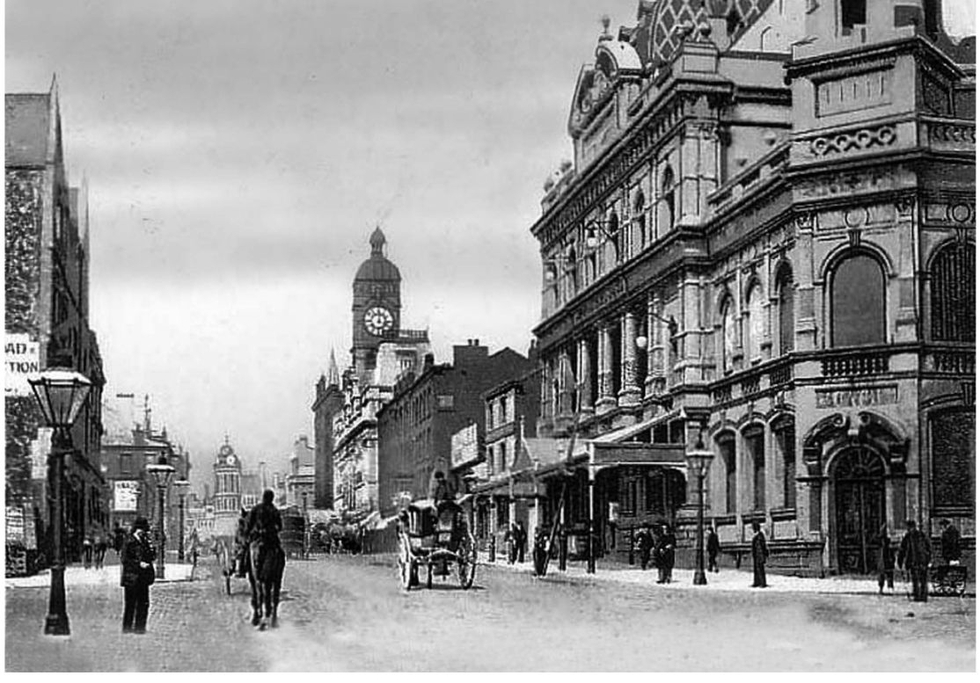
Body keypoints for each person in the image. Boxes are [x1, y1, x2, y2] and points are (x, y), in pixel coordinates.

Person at [120, 517, 155, 634]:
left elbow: (151, 557)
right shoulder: (129, 541)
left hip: (143, 578)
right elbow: (125, 559)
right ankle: (127, 628)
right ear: (137, 529)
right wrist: (139, 564)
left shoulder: (145, 541)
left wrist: (151, 546)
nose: (143, 533)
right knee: (130, 604)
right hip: (131, 577)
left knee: (144, 603)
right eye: (142, 530)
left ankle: (140, 628)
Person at [897, 519, 931, 602]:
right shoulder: (921, 535)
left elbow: (902, 550)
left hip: (916, 561)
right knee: (921, 579)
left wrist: (900, 562)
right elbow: (929, 548)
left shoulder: (909, 536)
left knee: (918, 579)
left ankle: (919, 596)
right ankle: (922, 596)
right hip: (921, 561)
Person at [875, 524, 895, 594]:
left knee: (887, 573)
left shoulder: (886, 544)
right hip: (884, 560)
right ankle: (884, 587)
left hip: (886, 560)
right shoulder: (882, 544)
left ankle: (888, 587)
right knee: (884, 574)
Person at [750, 520, 768, 588]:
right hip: (756, 554)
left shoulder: (760, 535)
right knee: (756, 568)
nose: (752, 529)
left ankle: (763, 583)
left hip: (760, 554)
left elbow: (762, 545)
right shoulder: (756, 535)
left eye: (753, 527)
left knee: (760, 568)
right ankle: (756, 582)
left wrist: (763, 554)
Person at [234, 507, 250, 578]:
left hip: (249, 541)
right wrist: (244, 542)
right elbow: (239, 536)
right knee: (241, 553)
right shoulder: (241, 524)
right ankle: (240, 570)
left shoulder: (249, 523)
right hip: (243, 543)